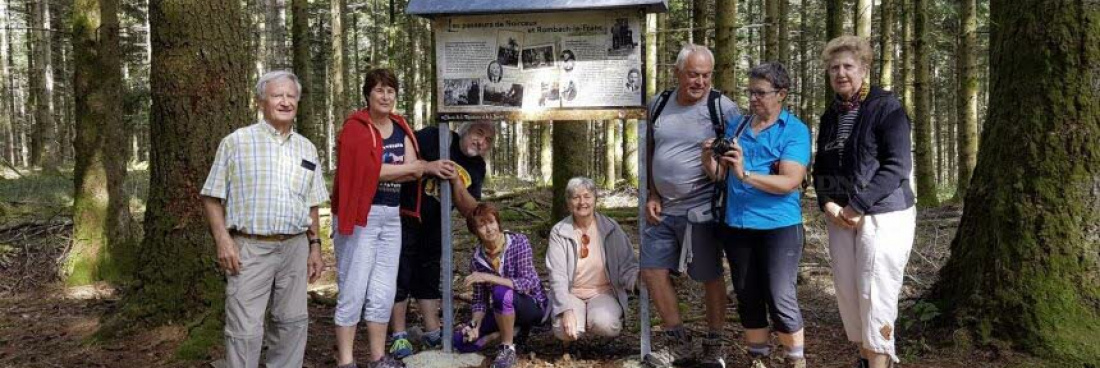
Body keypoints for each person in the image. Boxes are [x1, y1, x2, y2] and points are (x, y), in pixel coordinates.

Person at [200, 70, 327, 368]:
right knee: (244, 330)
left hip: (295, 248)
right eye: (277, 95)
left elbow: (311, 203)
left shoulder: (306, 148)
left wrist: (316, 246)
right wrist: (223, 240)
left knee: (292, 323)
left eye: (291, 96)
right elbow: (211, 196)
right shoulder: (236, 143)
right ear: (261, 102)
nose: (285, 101)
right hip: (249, 249)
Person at [330, 68, 450, 368]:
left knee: (384, 289)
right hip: (360, 216)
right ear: (368, 94)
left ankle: (378, 356)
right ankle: (345, 361)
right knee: (353, 288)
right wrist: (415, 167)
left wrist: (410, 167)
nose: (385, 96)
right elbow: (371, 172)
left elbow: (410, 168)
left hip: (391, 216)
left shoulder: (399, 126)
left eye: (390, 91)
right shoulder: (355, 128)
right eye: (379, 90)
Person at [813, 36, 916, 368]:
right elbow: (821, 168)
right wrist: (827, 204)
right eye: (834, 68)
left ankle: (879, 362)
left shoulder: (886, 107)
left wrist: (857, 206)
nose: (840, 73)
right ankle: (863, 358)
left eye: (847, 66)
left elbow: (897, 166)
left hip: (885, 213)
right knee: (848, 290)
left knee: (876, 290)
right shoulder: (831, 115)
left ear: (864, 69)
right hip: (841, 215)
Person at [702, 62, 811, 368]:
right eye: (750, 92)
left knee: (780, 297)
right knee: (748, 296)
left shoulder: (794, 131)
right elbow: (719, 176)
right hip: (737, 224)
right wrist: (706, 156)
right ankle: (758, 358)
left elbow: (789, 181)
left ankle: (795, 360)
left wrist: (745, 173)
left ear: (782, 95)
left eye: (761, 93)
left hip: (779, 226)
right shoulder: (737, 126)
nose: (753, 99)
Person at [642, 43, 740, 368]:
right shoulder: (658, 104)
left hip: (703, 208)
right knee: (652, 270)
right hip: (663, 208)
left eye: (706, 75)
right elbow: (651, 151)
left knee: (709, 274)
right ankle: (678, 344)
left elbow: (740, 150)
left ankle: (715, 345)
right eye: (693, 75)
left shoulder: (722, 107)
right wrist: (653, 193)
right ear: (678, 72)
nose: (699, 82)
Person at [388, 121, 496, 358]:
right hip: (405, 216)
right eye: (479, 134)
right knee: (401, 272)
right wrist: (429, 166)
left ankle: (432, 331)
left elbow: (471, 210)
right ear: (466, 130)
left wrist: (457, 181)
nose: (481, 142)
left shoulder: (476, 166)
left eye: (488, 140)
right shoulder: (437, 137)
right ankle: (398, 335)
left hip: (437, 224)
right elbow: (399, 158)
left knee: (429, 274)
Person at [454, 203, 549, 368]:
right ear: (475, 231)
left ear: (498, 222)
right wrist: (474, 324)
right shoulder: (477, 259)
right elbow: (479, 300)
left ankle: (507, 348)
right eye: (482, 225)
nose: (489, 228)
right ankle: (508, 332)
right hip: (503, 310)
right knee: (460, 341)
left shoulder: (519, 242)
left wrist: (488, 277)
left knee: (501, 292)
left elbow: (527, 282)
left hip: (532, 305)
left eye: (491, 221)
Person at [546, 177, 638, 346]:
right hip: (571, 293)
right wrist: (566, 310)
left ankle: (591, 318)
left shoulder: (611, 228)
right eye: (576, 197)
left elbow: (628, 265)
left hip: (604, 292)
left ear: (595, 199)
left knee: (606, 324)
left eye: (587, 196)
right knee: (562, 329)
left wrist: (637, 281)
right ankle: (575, 318)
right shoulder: (559, 232)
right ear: (568, 202)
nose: (582, 202)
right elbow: (557, 275)